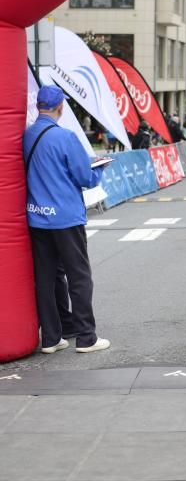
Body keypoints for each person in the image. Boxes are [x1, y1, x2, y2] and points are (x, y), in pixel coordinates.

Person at [23, 85, 110, 353]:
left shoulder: (26, 135)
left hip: (36, 217)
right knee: (79, 276)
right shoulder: (66, 137)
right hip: (66, 218)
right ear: (60, 107)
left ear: (39, 106)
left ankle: (51, 337)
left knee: (46, 278)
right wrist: (100, 168)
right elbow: (84, 177)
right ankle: (87, 338)